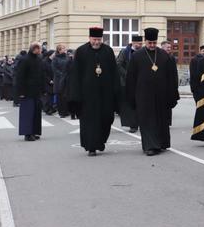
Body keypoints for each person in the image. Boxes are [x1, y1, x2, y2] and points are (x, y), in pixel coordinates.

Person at [126, 27, 179, 156]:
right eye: (150, 43)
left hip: (162, 94)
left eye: (154, 43)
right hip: (143, 95)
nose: (152, 45)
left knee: (161, 120)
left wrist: (173, 94)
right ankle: (150, 146)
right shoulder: (137, 56)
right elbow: (131, 77)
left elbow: (172, 76)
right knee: (147, 120)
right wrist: (131, 96)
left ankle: (161, 143)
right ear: (146, 42)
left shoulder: (164, 56)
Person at [68, 27, 120, 156]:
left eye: (99, 39)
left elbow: (114, 72)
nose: (96, 42)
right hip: (87, 96)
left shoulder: (108, 51)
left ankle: (100, 142)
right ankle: (91, 146)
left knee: (106, 119)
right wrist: (75, 94)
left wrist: (116, 90)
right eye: (94, 39)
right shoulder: (81, 51)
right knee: (89, 122)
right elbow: (75, 75)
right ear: (89, 38)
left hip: (105, 94)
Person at [16, 42, 45, 141]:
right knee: (28, 113)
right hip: (27, 91)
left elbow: (41, 75)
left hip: (36, 90)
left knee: (36, 113)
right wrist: (21, 92)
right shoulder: (24, 60)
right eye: (40, 49)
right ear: (35, 49)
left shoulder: (39, 59)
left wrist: (43, 89)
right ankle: (27, 133)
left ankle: (35, 131)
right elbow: (20, 77)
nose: (41, 51)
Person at [116, 35, 143, 133]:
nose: (139, 45)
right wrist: (127, 75)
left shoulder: (143, 52)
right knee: (129, 105)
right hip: (127, 82)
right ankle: (133, 125)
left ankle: (140, 122)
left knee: (140, 103)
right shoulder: (125, 51)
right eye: (138, 44)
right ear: (133, 43)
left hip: (140, 82)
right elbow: (118, 64)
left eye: (141, 44)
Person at [52, 44, 71, 118]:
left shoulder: (67, 57)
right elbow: (54, 69)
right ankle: (61, 112)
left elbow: (70, 67)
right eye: (63, 48)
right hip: (59, 80)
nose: (65, 50)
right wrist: (62, 75)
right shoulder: (55, 58)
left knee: (66, 96)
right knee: (60, 96)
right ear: (59, 50)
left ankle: (66, 111)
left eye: (65, 48)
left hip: (67, 79)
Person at [41, 50, 56, 115]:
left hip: (54, 80)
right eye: (54, 53)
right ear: (51, 54)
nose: (55, 54)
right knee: (48, 96)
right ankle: (48, 109)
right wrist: (49, 80)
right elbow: (44, 73)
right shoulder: (44, 62)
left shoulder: (54, 61)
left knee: (52, 95)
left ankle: (51, 108)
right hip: (46, 81)